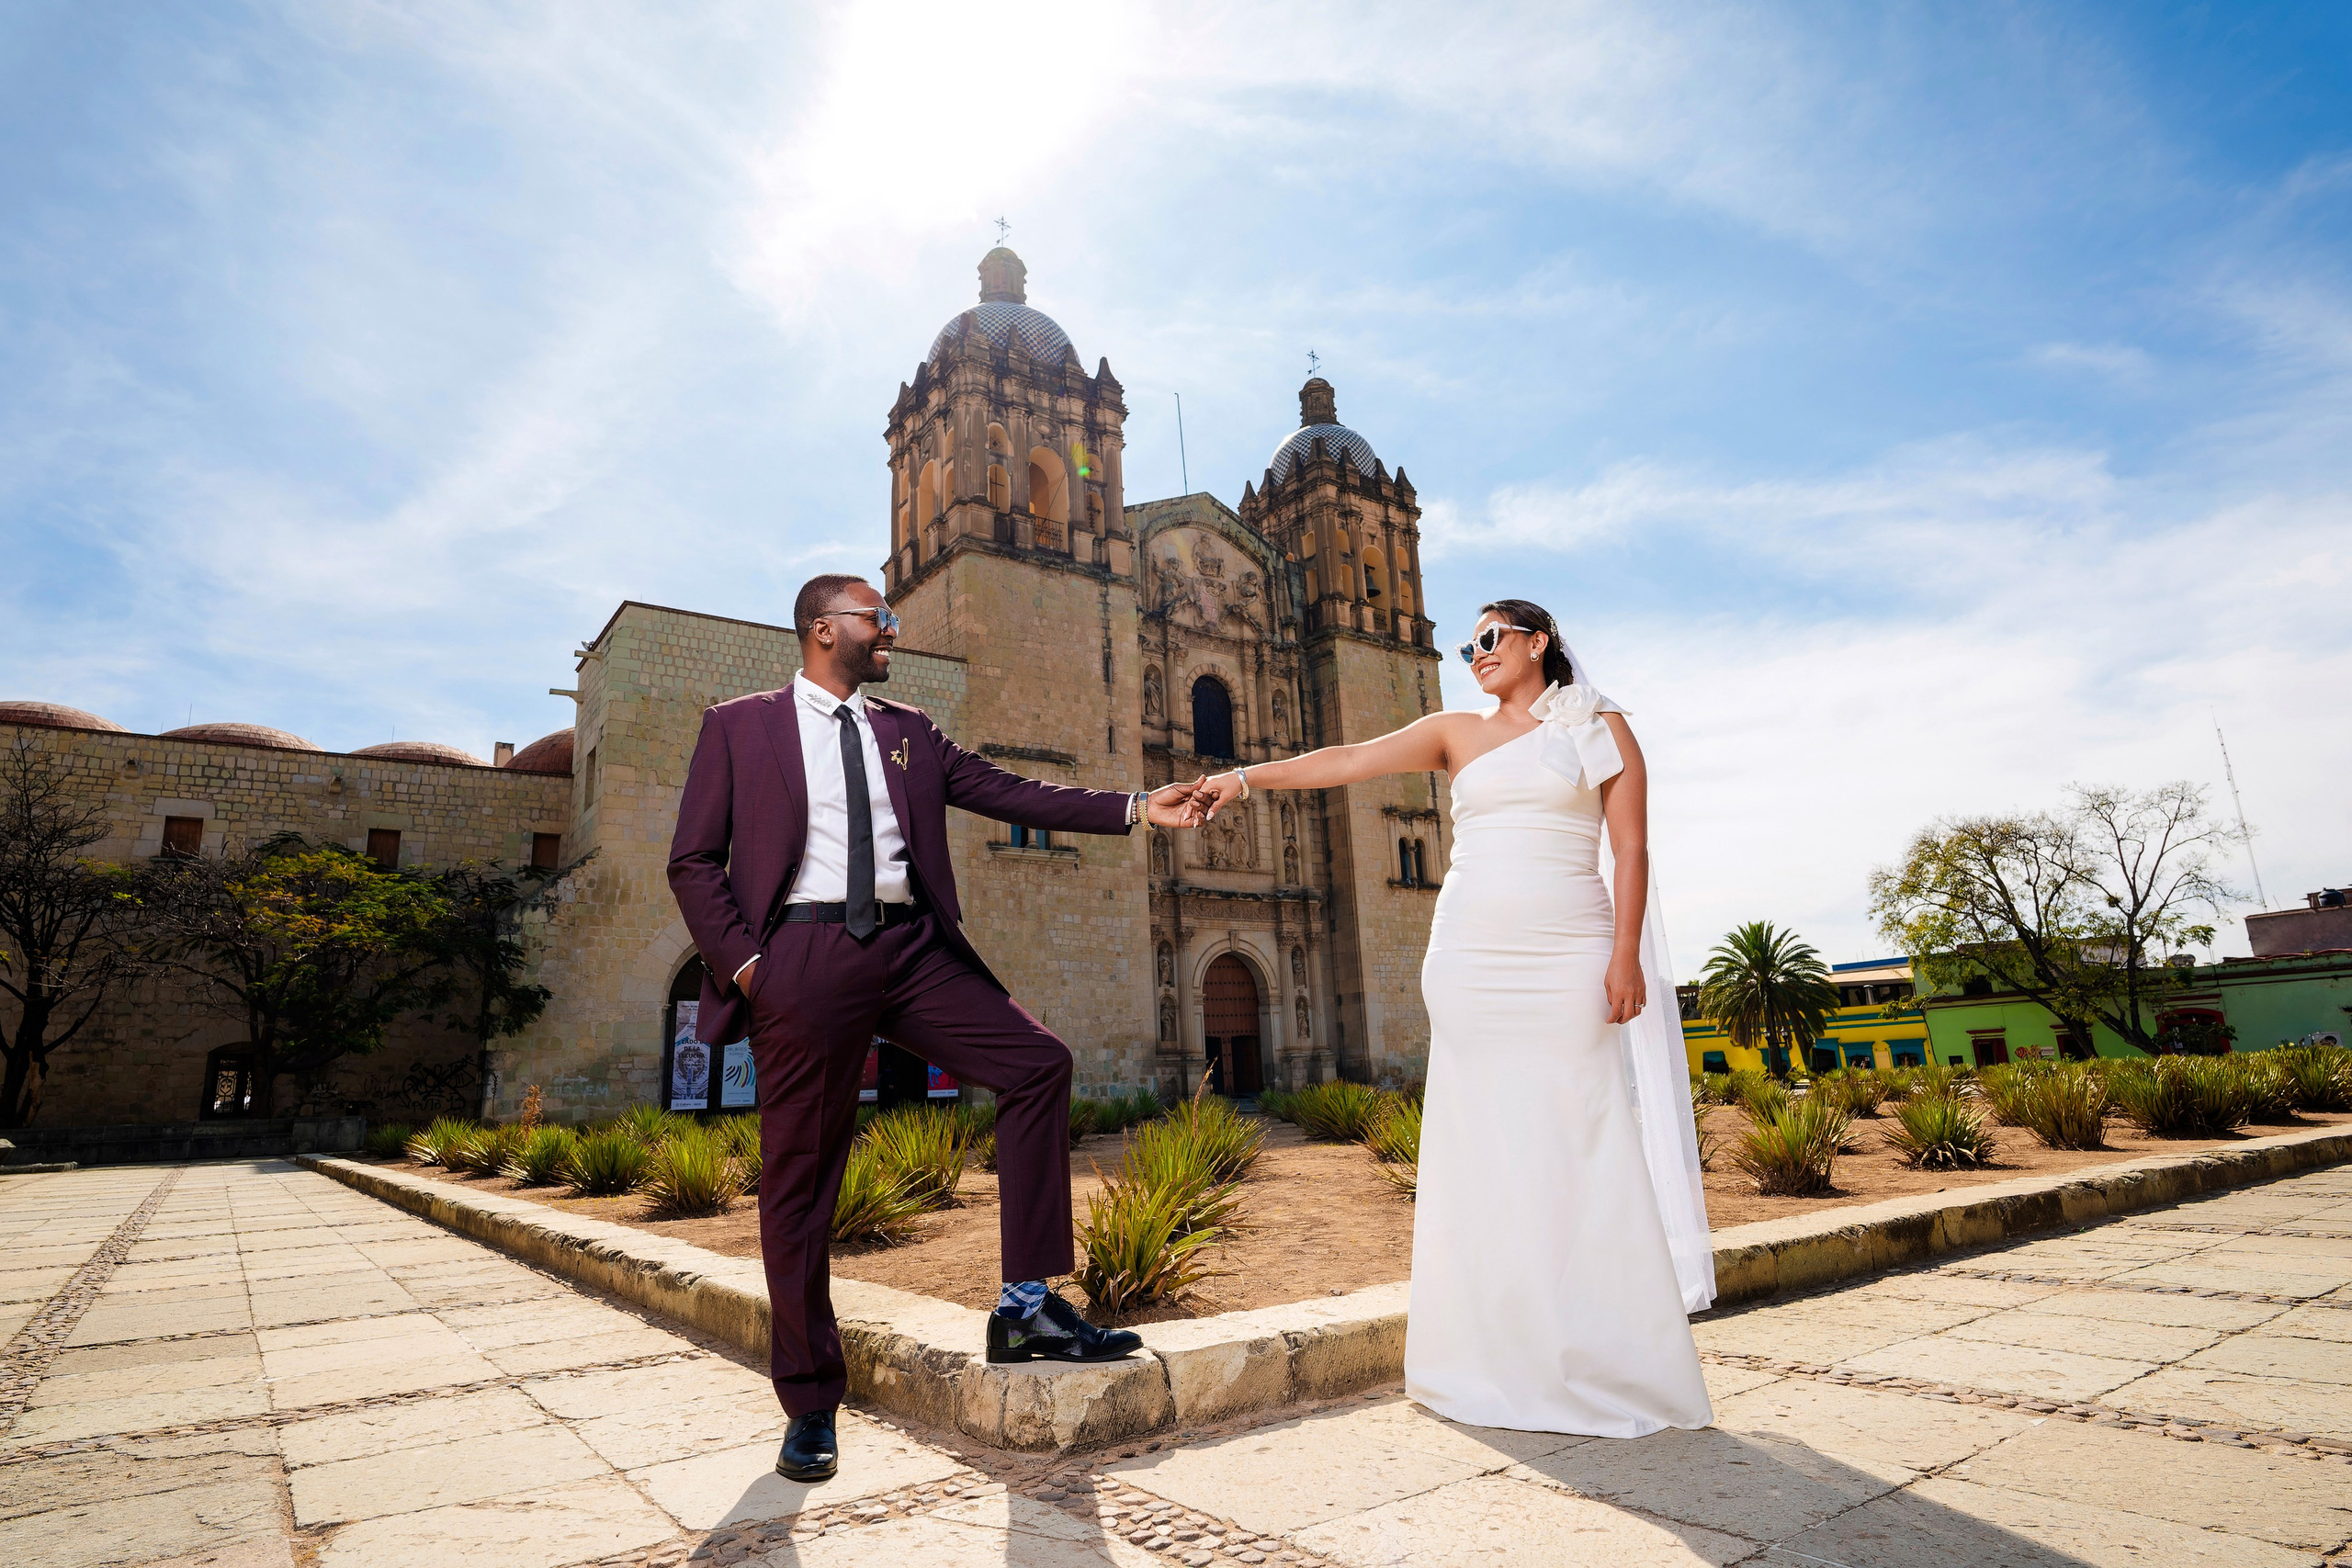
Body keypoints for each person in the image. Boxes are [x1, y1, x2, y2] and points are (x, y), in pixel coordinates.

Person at [667, 573, 1207, 1483]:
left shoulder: (909, 730)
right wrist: (752, 967)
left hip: (913, 949)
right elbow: (691, 861)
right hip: (802, 958)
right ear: (822, 628)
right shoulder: (740, 726)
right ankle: (809, 1400)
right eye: (876, 616)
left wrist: (1132, 807)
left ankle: (1025, 1308)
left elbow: (1008, 790)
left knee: (1037, 1063)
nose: (892, 627)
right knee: (801, 1184)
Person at [1187, 599, 1714, 1437]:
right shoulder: (1453, 731)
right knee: (1481, 1143)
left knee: (1579, 1131)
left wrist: (1626, 954)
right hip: (1469, 958)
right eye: (1468, 647)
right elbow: (1350, 759)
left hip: (1569, 953)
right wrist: (1244, 779)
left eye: (1491, 639)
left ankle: (1608, 1354)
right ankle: (1485, 1357)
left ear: (1539, 642)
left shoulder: (1597, 721)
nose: (1477, 654)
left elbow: (1630, 847)